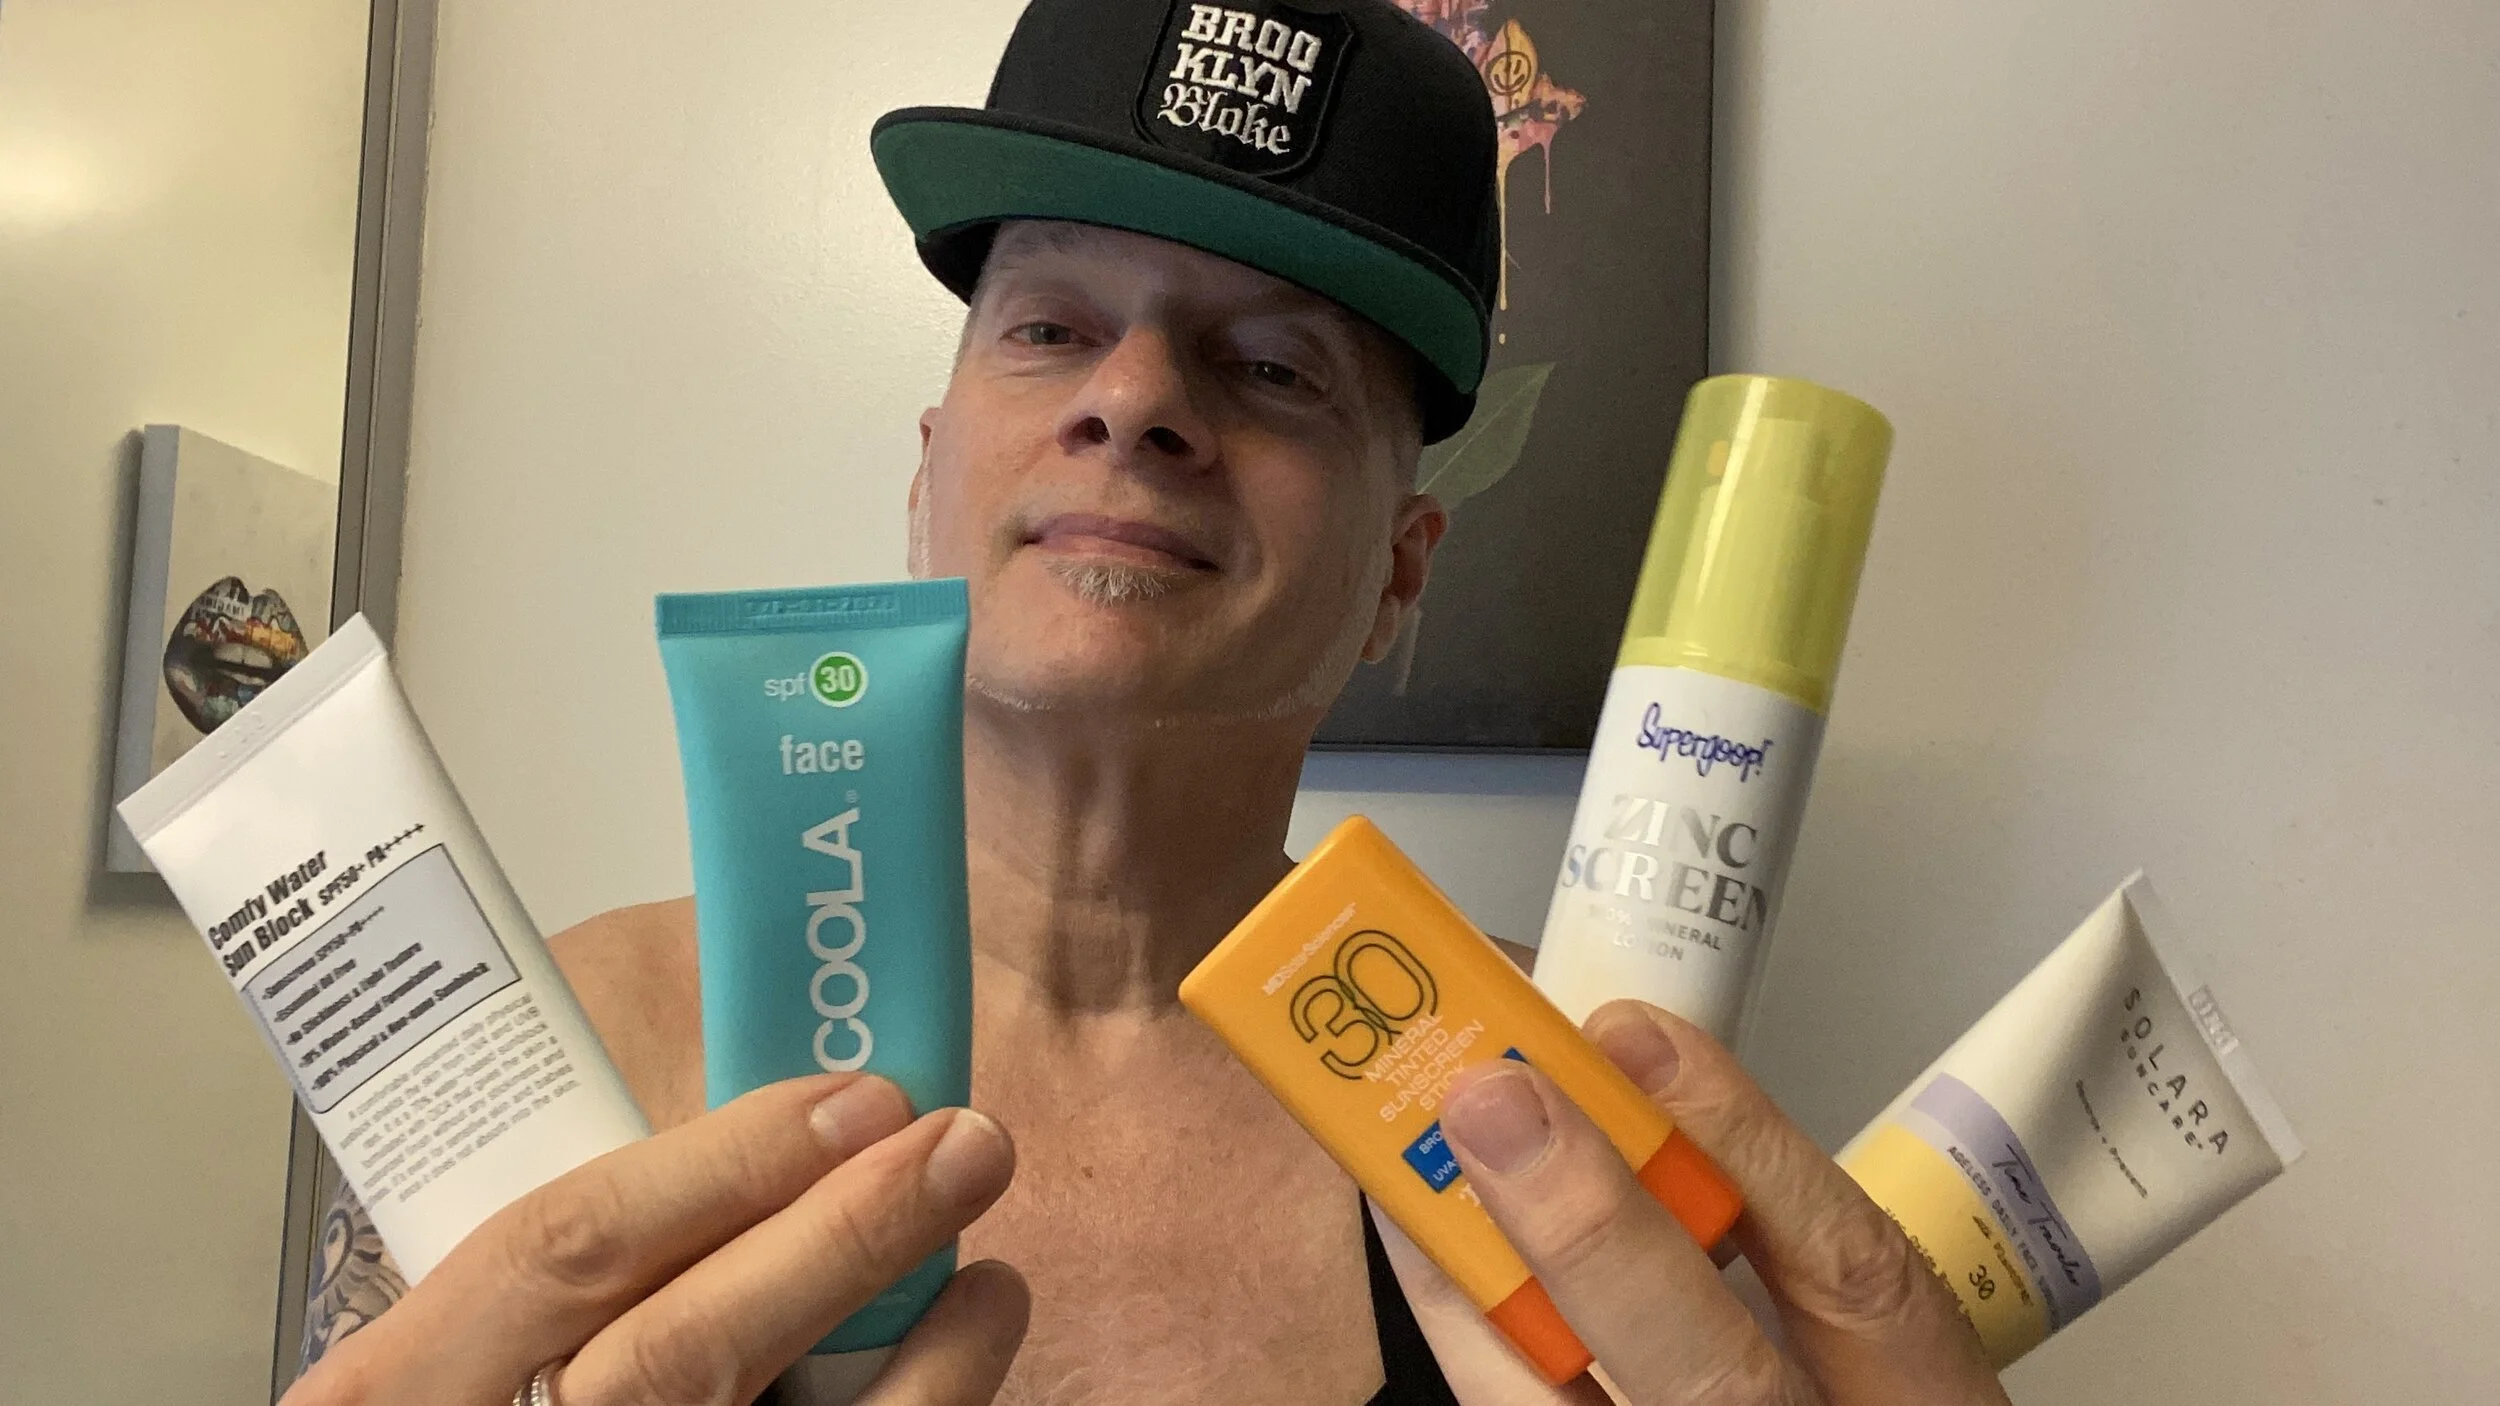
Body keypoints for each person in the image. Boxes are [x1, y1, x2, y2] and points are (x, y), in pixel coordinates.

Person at [284, 2, 2012, 1403]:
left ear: (1400, 573)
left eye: (1272, 365)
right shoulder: (553, 1042)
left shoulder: (1531, 1087)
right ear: (929, 476)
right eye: (1050, 326)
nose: (1133, 399)